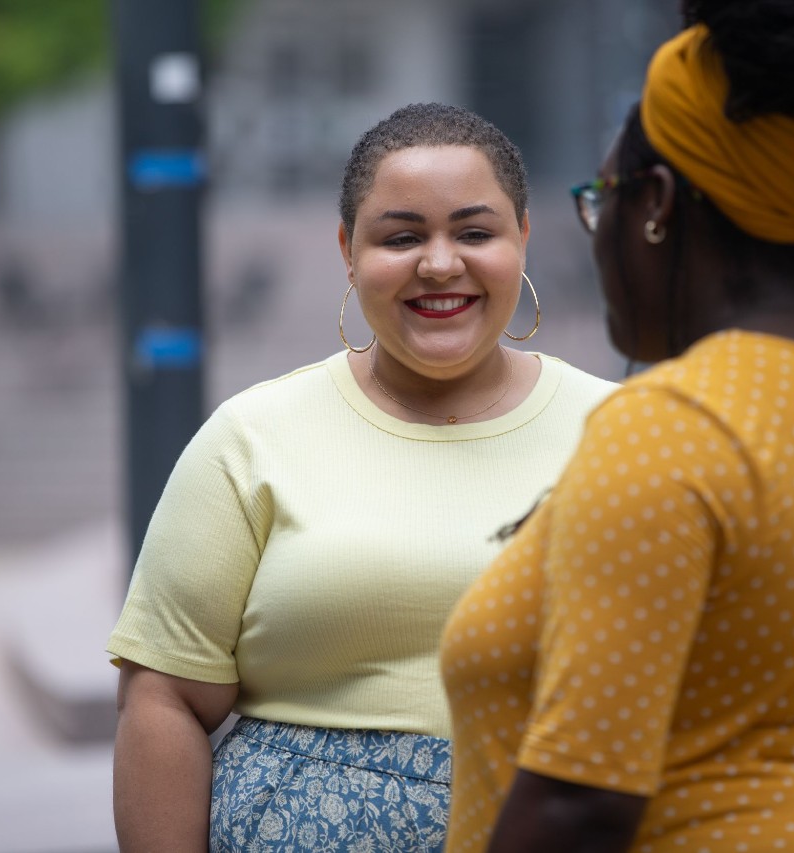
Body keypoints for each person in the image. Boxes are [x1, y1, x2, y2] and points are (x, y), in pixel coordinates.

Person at [442, 3, 794, 851]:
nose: (599, 234)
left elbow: (576, 807)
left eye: (602, 199)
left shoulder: (671, 426)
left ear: (655, 206)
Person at [107, 102, 616, 853]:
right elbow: (164, 699)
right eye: (402, 237)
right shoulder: (251, 437)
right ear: (348, 249)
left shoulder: (621, 432)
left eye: (475, 233)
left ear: (524, 238)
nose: (439, 264)